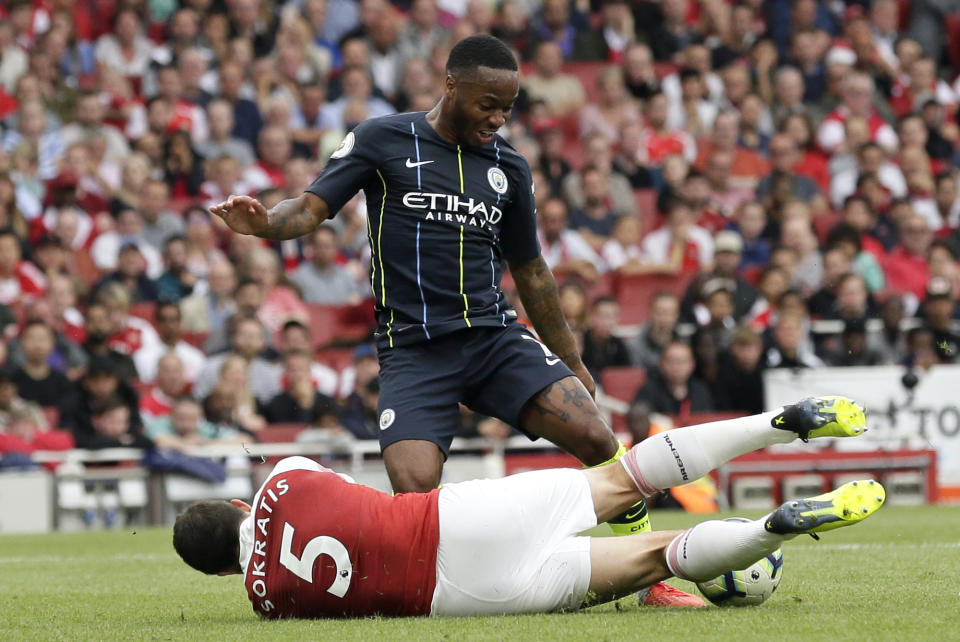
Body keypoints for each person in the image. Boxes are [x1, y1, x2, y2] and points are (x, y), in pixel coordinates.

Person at [210, 34, 696, 606]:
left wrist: (572, 360)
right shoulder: (382, 140)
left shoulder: (508, 167)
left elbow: (533, 271)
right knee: (413, 491)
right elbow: (311, 208)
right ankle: (447, 587)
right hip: (414, 350)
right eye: (486, 103)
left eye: (507, 107)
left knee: (595, 435)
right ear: (451, 85)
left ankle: (652, 579)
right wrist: (267, 224)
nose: (497, 118)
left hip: (492, 338)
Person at [173, 396, 883, 618]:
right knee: (625, 476)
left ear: (220, 575)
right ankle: (776, 423)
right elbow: (305, 483)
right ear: (235, 499)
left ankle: (768, 529)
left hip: (466, 598)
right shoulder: (284, 479)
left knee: (655, 554)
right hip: (453, 521)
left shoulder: (268, 601)